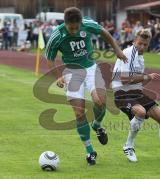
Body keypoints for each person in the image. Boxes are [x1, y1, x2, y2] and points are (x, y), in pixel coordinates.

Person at [45, 7, 127, 166]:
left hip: (90, 69)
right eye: (71, 28)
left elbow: (104, 32)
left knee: (100, 101)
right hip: (71, 72)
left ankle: (97, 125)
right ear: (66, 24)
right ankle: (90, 151)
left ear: (81, 23)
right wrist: (58, 76)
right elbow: (50, 57)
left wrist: (116, 49)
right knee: (79, 113)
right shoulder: (57, 35)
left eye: (77, 27)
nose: (74, 31)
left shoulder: (88, 24)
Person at [112, 29, 160, 162]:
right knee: (141, 112)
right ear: (134, 42)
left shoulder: (140, 58)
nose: (142, 47)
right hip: (121, 93)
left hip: (135, 93)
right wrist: (146, 76)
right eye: (140, 43)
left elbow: (138, 82)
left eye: (145, 44)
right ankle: (128, 146)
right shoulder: (129, 52)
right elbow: (125, 79)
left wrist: (147, 78)